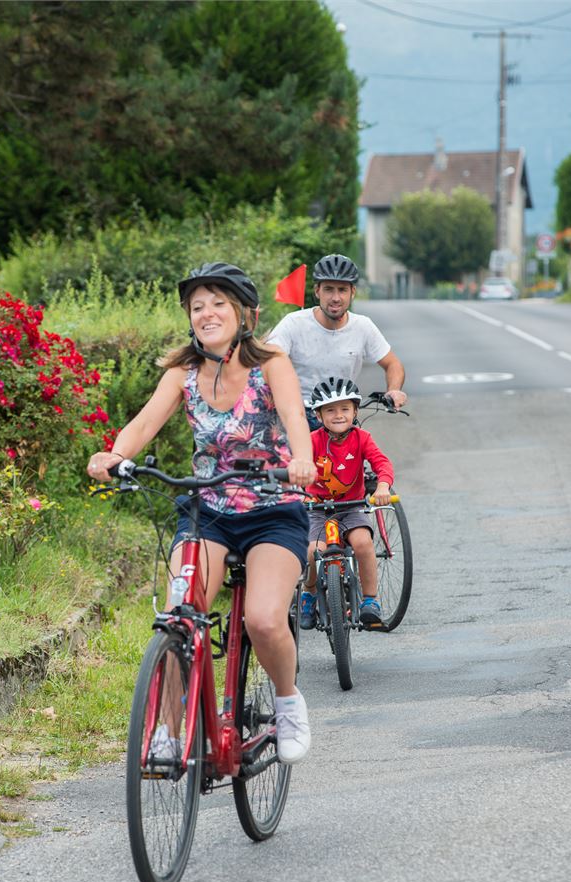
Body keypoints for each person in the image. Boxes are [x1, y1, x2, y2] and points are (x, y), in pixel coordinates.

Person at [87, 262, 316, 764]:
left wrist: (303, 461)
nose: (207, 313)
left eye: (217, 303)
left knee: (261, 618)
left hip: (274, 510)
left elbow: (296, 417)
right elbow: (145, 422)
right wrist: (114, 454)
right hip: (207, 509)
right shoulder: (183, 372)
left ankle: (287, 703)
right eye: (197, 306)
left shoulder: (271, 362)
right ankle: (170, 731)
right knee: (179, 617)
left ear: (242, 314)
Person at [267, 253, 406, 430]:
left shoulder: (362, 326)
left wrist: (393, 390)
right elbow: (268, 361)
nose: (335, 298)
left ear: (352, 292)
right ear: (317, 291)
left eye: (342, 290)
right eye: (329, 289)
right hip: (298, 418)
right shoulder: (293, 323)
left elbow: (393, 363)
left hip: (341, 419)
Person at [300, 376, 394, 631]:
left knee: (363, 543)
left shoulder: (362, 438)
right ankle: (308, 594)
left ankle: (370, 600)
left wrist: (383, 486)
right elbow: (293, 465)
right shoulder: (311, 440)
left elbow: (381, 463)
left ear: (354, 411)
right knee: (311, 551)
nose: (338, 415)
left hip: (351, 506)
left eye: (344, 409)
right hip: (316, 507)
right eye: (330, 410)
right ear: (318, 416)